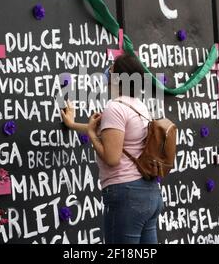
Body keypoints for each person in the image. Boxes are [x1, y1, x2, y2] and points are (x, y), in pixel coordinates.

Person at [61, 53, 163, 244]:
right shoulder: (139, 106)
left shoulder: (114, 108)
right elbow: (111, 134)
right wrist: (73, 124)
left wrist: (91, 136)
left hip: (126, 195)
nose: (107, 72)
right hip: (149, 194)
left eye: (111, 69)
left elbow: (112, 157)